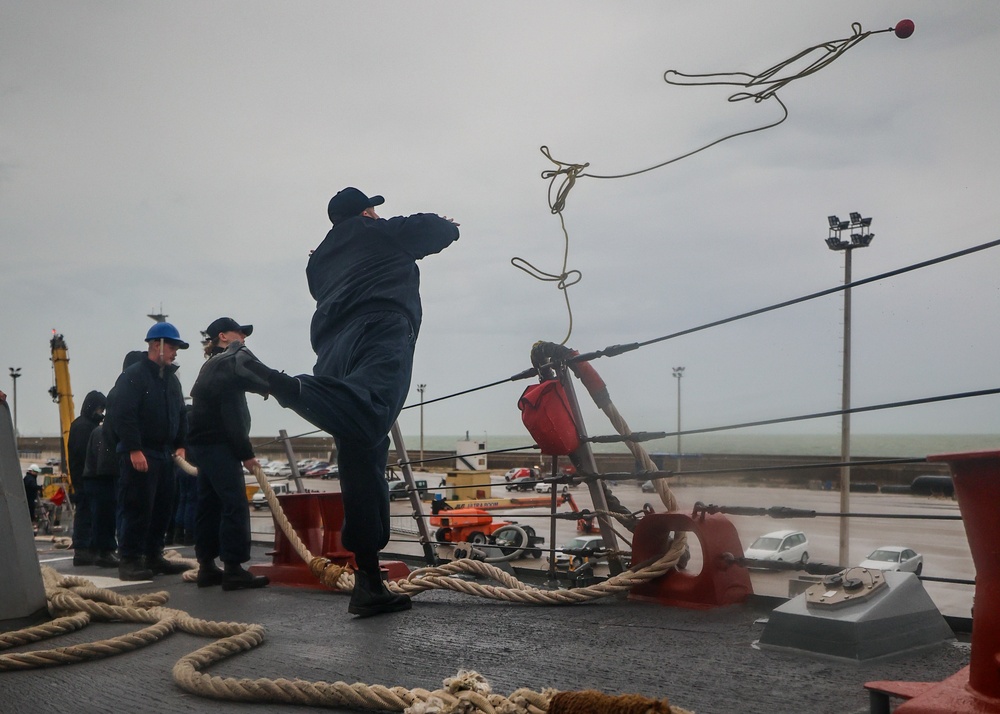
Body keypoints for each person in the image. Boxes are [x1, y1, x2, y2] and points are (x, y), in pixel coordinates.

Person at [226, 187, 459, 616]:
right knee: (370, 416)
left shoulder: (317, 262)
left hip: (333, 352)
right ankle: (278, 382)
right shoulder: (379, 231)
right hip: (382, 329)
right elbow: (438, 231)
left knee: (363, 451)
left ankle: (368, 580)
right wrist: (446, 223)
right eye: (372, 209)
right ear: (365, 212)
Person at [187, 317, 268, 591]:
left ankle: (206, 567)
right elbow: (231, 415)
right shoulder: (228, 365)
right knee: (234, 504)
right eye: (239, 333)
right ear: (223, 336)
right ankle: (233, 568)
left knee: (208, 504)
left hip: (203, 445)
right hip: (220, 445)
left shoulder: (208, 365)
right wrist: (245, 453)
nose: (244, 339)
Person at [110, 322, 193, 581]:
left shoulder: (171, 381)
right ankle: (131, 559)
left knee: (162, 508)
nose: (175, 352)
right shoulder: (133, 376)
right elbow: (124, 414)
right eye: (172, 346)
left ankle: (154, 555)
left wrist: (180, 443)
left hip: (165, 454)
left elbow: (179, 413)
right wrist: (134, 448)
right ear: (156, 345)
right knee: (137, 507)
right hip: (141, 452)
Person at [68, 390, 107, 566]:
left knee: (86, 513)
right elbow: (86, 453)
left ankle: (84, 548)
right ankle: (83, 549)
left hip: (82, 476)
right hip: (86, 477)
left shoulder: (80, 425)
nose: (101, 413)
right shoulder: (86, 428)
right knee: (86, 513)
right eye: (100, 409)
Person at [79, 414, 121, 567]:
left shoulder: (98, 431)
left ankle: (99, 550)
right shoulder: (104, 432)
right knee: (105, 517)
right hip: (102, 479)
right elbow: (104, 461)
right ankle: (105, 552)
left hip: (94, 478)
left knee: (99, 517)